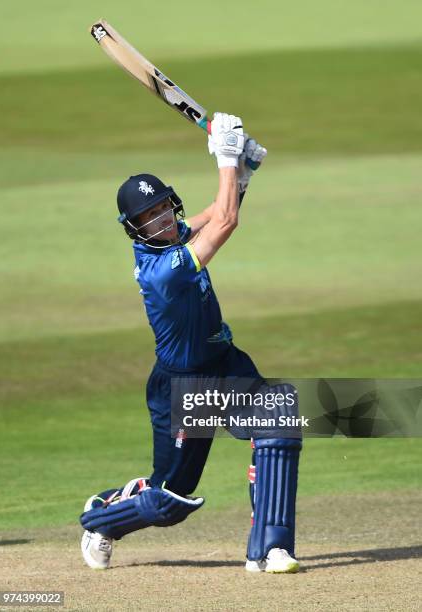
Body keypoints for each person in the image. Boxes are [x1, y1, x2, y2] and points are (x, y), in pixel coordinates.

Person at [79, 113, 302, 573]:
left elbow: (214, 213)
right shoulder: (163, 271)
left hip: (225, 362)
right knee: (170, 501)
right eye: (147, 216)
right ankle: (101, 518)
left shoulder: (171, 237)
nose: (160, 219)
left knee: (280, 421)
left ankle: (271, 549)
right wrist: (224, 156)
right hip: (184, 386)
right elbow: (225, 223)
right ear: (133, 227)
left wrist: (243, 173)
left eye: (163, 207)